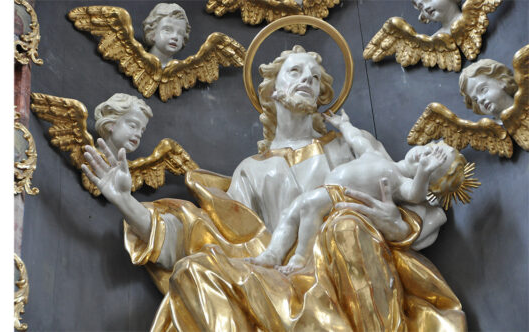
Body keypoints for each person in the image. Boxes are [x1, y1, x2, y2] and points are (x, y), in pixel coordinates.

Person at [83, 45, 464, 330]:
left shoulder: (346, 145)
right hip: (278, 276)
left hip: (347, 272)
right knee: (194, 269)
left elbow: (420, 203)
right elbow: (208, 235)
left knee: (344, 225)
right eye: (295, 72)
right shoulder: (251, 170)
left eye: (314, 78)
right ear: (272, 91)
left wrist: (395, 224)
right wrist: (124, 201)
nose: (307, 81)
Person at [248, 110, 469, 274]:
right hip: (327, 189)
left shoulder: (400, 181)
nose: (424, 156)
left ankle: (300, 259)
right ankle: (273, 253)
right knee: (290, 212)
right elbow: (358, 140)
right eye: (430, 149)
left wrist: (423, 172)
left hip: (341, 196)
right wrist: (344, 125)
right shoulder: (380, 156)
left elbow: (415, 195)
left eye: (434, 163)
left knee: (308, 208)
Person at [142, 3, 190, 68]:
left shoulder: (181, 72)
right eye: (167, 30)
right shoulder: (140, 62)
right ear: (152, 33)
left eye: (180, 33)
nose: (175, 37)